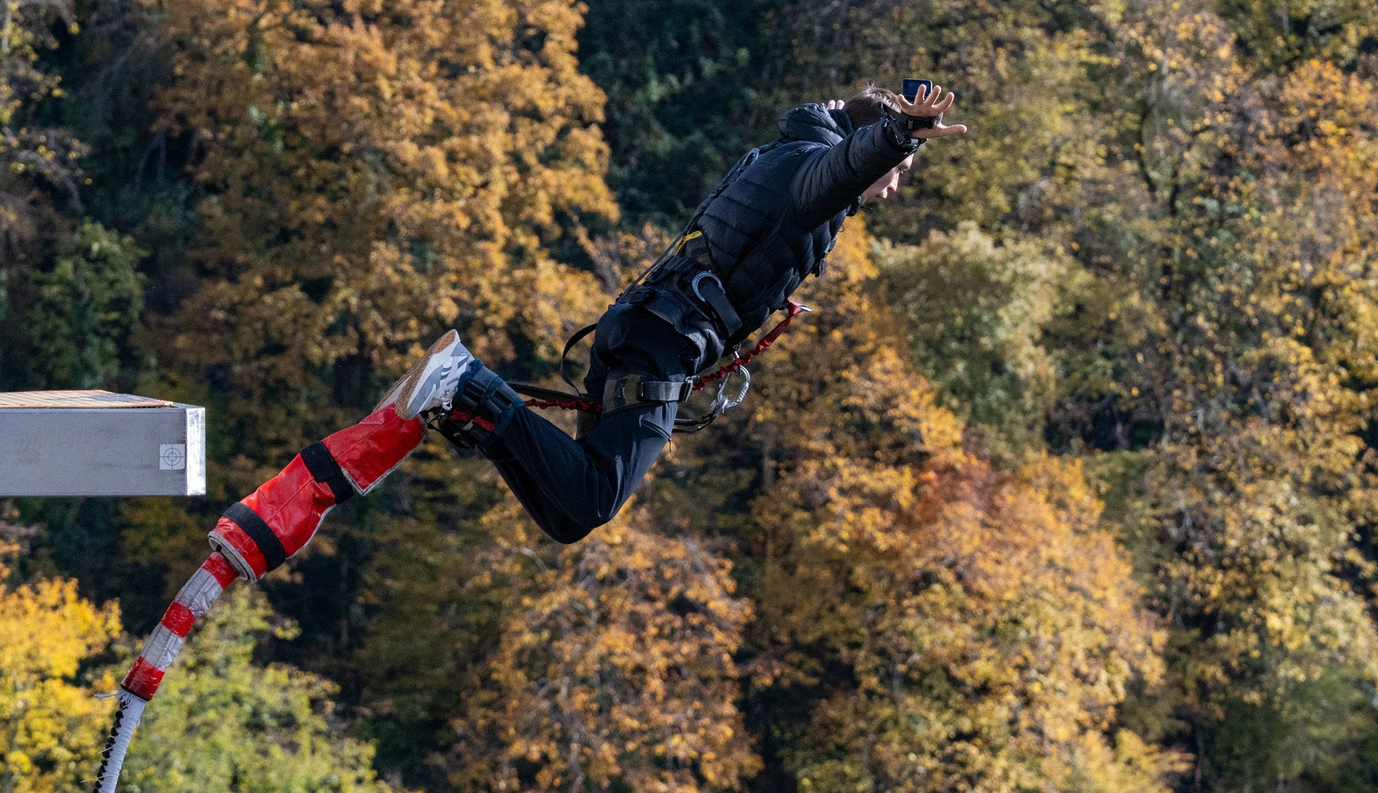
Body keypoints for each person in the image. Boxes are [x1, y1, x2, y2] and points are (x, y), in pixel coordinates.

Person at [187, 87, 967, 590]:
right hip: (659, 348)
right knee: (594, 495)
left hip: (645, 332)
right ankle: (467, 389)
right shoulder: (814, 174)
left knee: (568, 515)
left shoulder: (786, 156)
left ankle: (467, 404)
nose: (893, 186)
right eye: (895, 171)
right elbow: (848, 169)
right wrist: (898, 133)